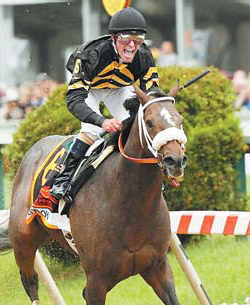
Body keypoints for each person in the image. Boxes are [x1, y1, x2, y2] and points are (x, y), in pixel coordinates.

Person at [33, 7, 159, 207]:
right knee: (92, 130)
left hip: (119, 88)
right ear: (113, 38)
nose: (132, 45)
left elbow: (151, 93)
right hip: (89, 88)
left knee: (137, 125)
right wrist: (102, 121)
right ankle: (61, 181)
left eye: (139, 39)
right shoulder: (91, 55)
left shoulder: (144, 56)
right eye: (126, 39)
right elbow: (74, 100)